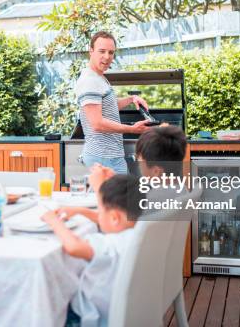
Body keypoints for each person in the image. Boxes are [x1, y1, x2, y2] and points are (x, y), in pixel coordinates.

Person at [41, 171, 142, 327]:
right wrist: (79, 211)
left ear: (115, 218)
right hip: (127, 311)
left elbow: (73, 247)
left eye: (100, 212)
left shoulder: (109, 245)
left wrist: (54, 222)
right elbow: (109, 218)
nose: (98, 216)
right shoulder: (140, 234)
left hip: (93, 316)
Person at [75, 31, 151, 174]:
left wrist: (131, 99)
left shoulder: (98, 78)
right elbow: (97, 123)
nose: (107, 57)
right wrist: (132, 129)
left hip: (110, 157)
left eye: (111, 52)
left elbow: (108, 106)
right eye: (102, 51)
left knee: (124, 195)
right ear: (91, 51)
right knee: (122, 196)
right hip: (103, 158)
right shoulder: (90, 81)